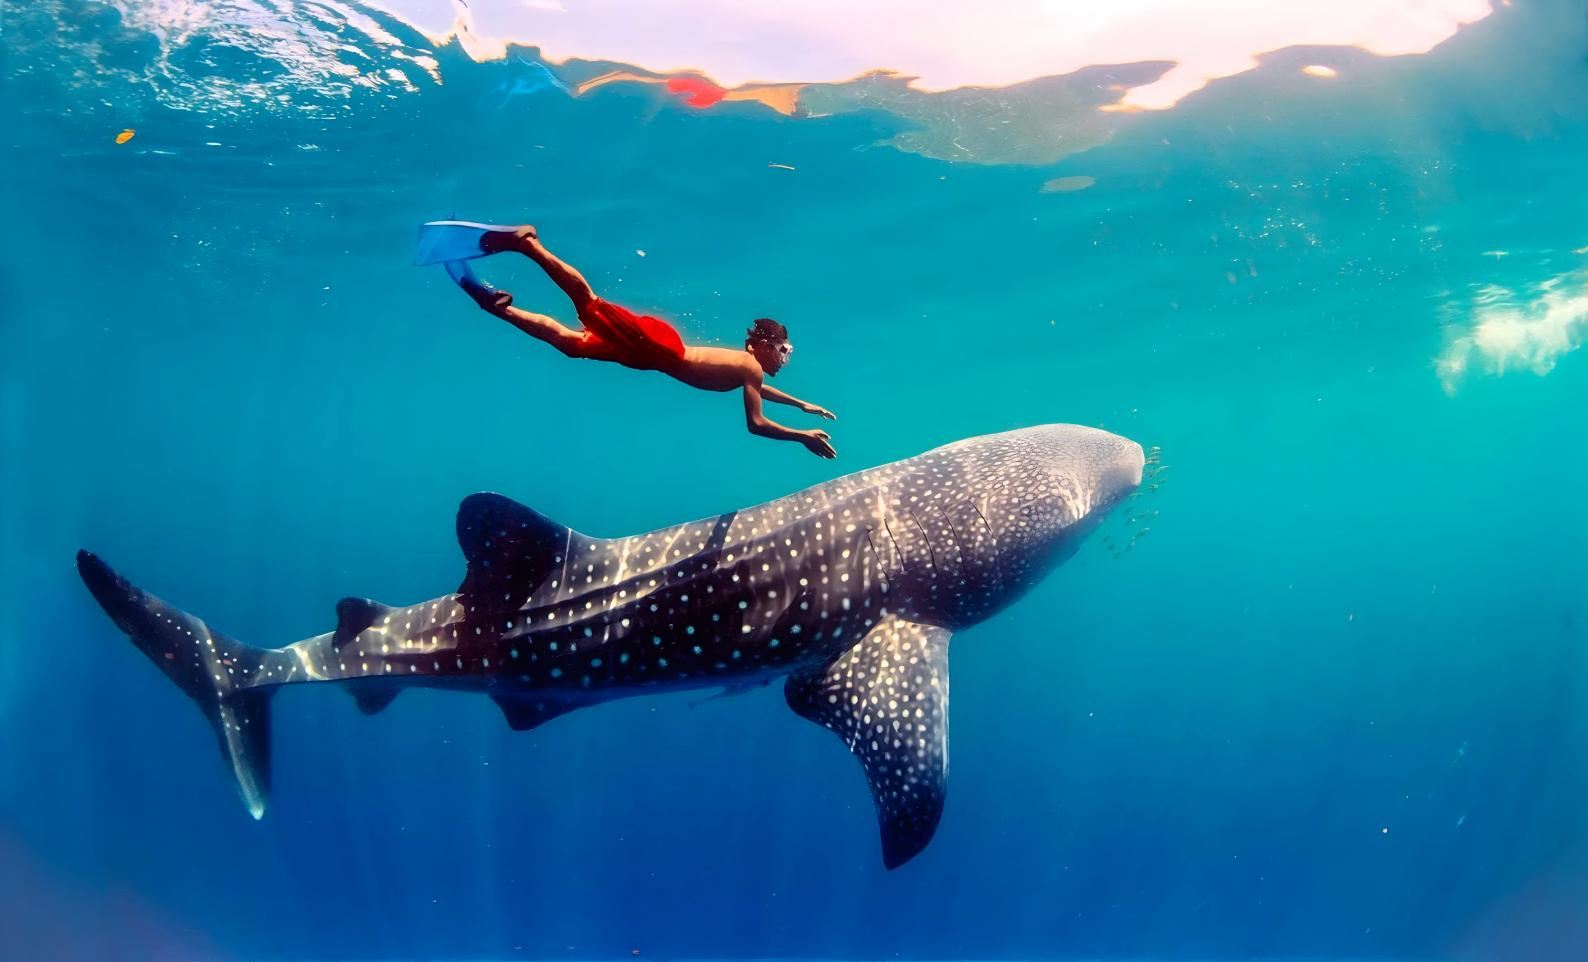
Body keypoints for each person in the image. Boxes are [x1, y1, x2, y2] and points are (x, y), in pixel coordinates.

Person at [452, 226, 837, 459]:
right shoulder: (750, 368)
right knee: (589, 306)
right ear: (766, 346)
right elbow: (755, 424)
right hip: (658, 347)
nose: (786, 359)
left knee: (573, 345)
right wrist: (801, 436)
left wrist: (802, 404)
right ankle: (528, 244)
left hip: (652, 356)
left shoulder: (748, 371)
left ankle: (499, 308)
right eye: (785, 350)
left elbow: (759, 391)